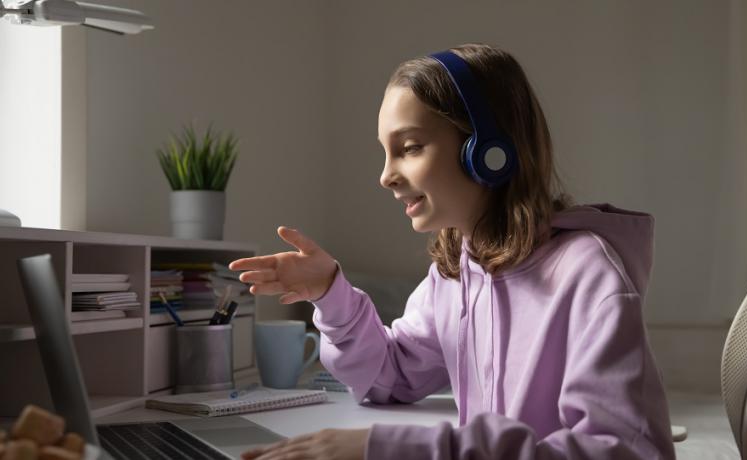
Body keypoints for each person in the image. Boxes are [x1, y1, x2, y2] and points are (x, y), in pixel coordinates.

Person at [230, 43, 675, 460]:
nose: (386, 175)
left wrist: (390, 450)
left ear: (488, 152)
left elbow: (623, 451)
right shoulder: (455, 274)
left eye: (409, 148)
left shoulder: (588, 273)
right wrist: (330, 292)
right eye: (385, 153)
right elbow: (391, 376)